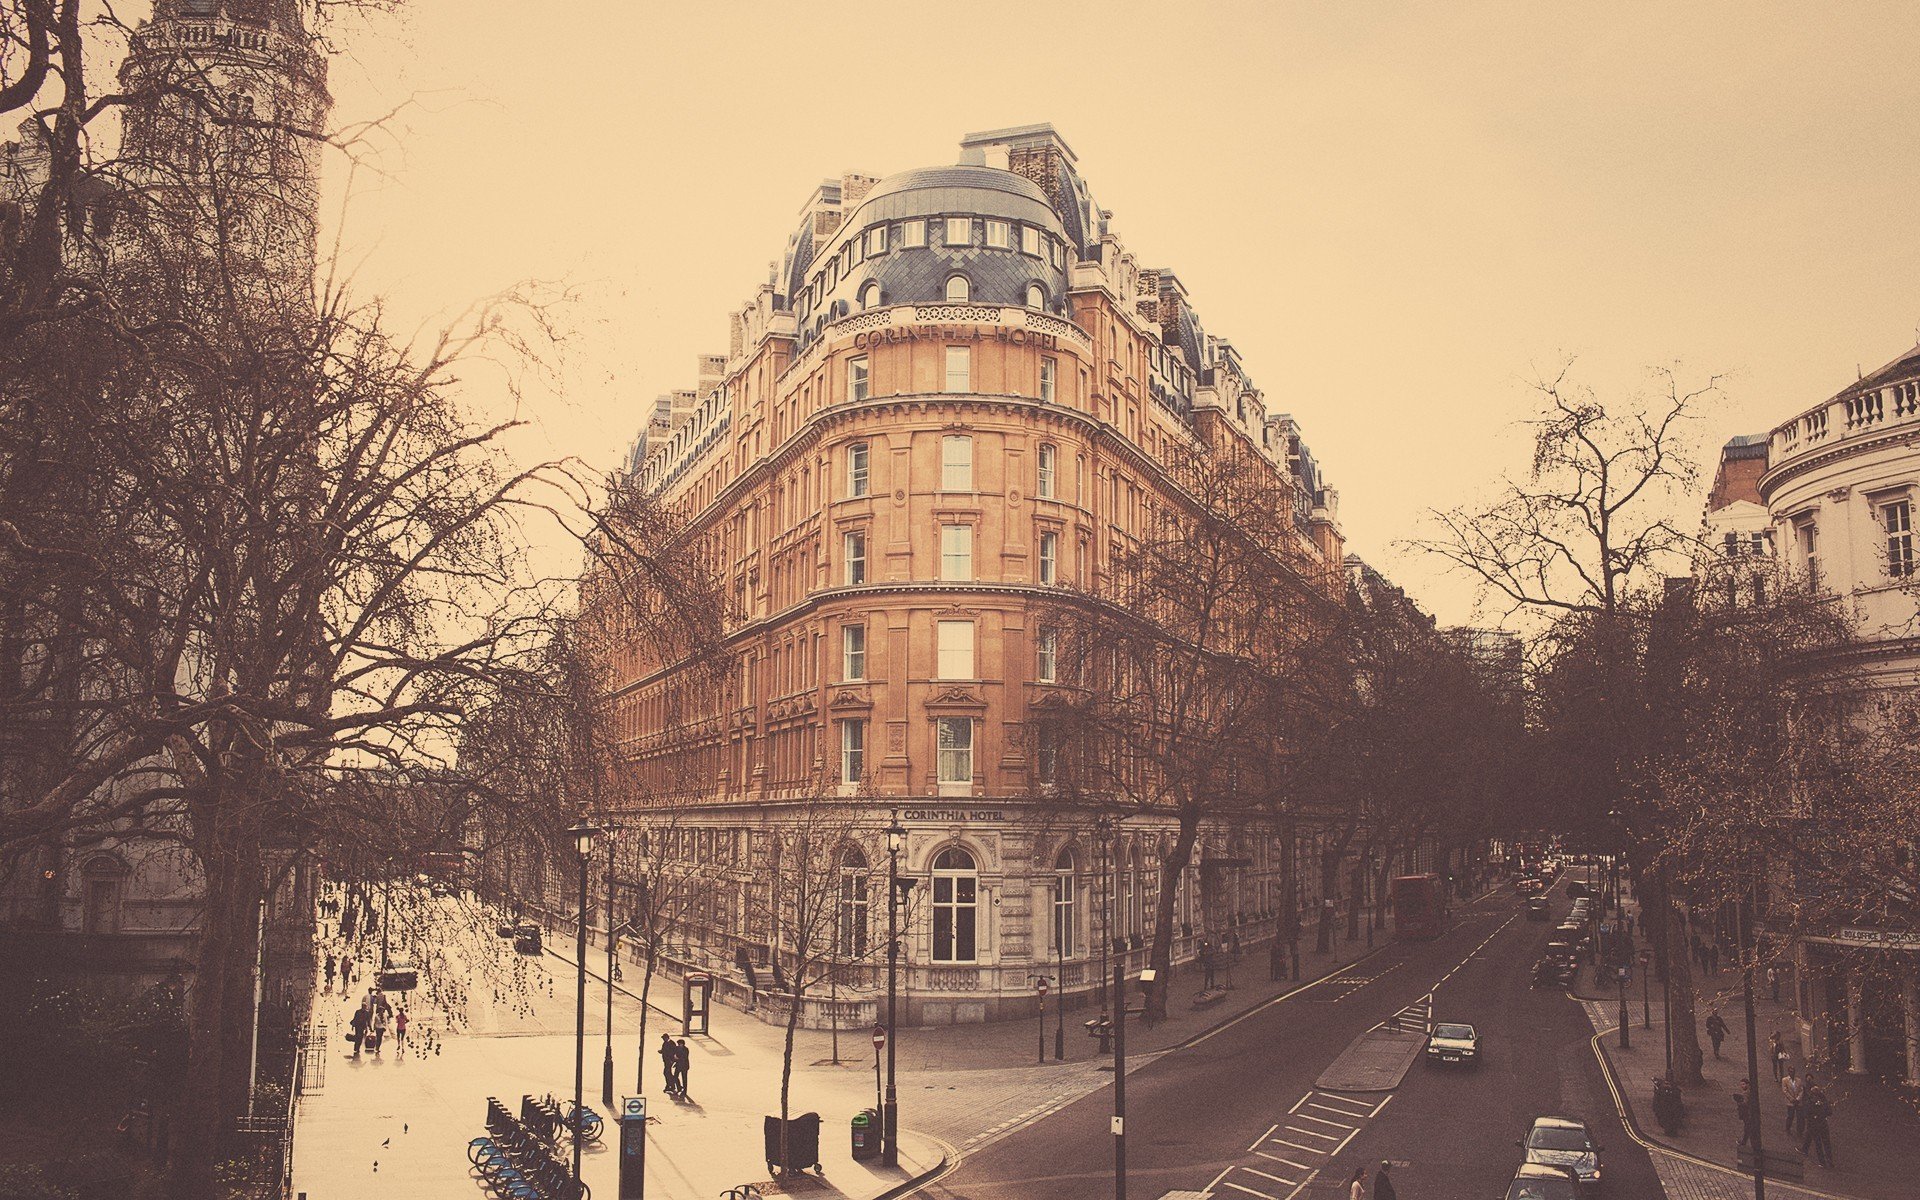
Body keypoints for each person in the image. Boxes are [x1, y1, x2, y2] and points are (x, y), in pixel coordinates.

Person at [1801, 1080, 1833, 1167]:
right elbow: (1806, 1114)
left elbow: (1829, 1112)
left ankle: (1827, 1161)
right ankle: (1824, 1161)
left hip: (1817, 1125)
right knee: (1822, 1143)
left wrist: (1817, 1114)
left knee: (1823, 1143)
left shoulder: (1813, 1103)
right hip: (1819, 1125)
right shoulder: (1819, 1102)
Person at [1781, 1068, 1804, 1135]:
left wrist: (1798, 1099)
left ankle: (1799, 1131)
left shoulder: (1798, 1080)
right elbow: (1785, 1091)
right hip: (1790, 1102)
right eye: (1790, 1071)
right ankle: (1788, 1128)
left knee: (1799, 1116)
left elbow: (1801, 1090)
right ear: (1788, 1072)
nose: (1792, 1073)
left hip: (1798, 1101)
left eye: (1793, 1071)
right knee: (1790, 1116)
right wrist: (1791, 1099)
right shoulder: (1785, 1080)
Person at [1734, 1078, 1754, 1147]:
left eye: (1743, 1084)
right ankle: (1745, 1141)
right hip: (1749, 1113)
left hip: (1747, 1113)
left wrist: (1739, 1102)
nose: (1742, 1086)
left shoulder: (1746, 1093)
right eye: (1741, 1084)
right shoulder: (1750, 1091)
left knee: (1747, 1128)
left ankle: (1744, 1142)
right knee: (1748, 1128)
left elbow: (1745, 1103)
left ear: (1747, 1084)